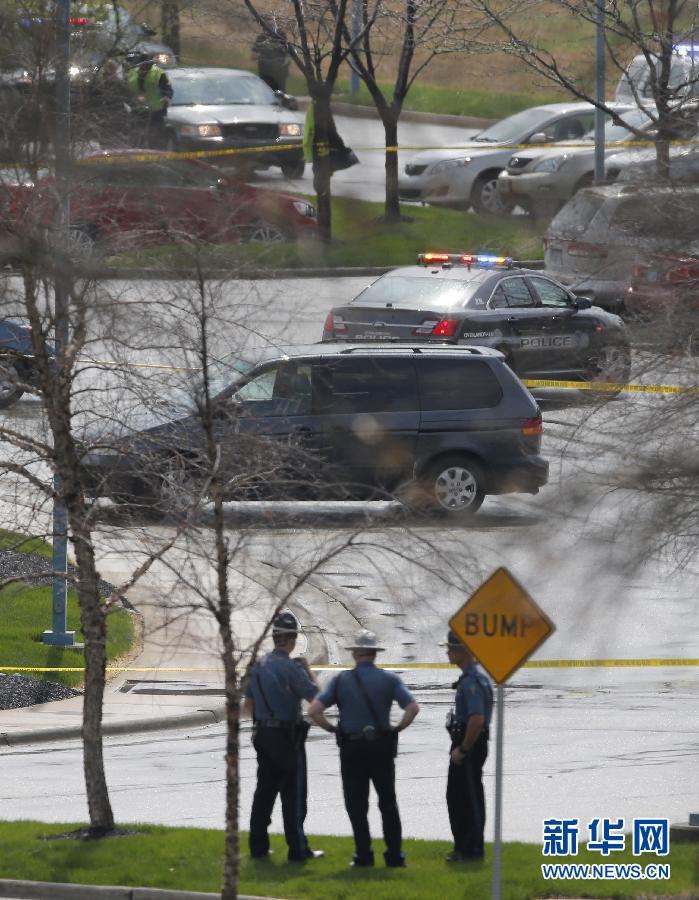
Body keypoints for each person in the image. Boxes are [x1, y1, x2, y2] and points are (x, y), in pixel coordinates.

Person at [308, 629, 419, 868]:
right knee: (388, 802)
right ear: (375, 654)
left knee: (357, 804)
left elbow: (314, 710)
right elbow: (412, 707)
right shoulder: (390, 680)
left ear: (355, 653)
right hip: (381, 746)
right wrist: (397, 728)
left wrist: (331, 729)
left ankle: (363, 855)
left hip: (352, 748)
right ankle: (394, 856)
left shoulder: (341, 681)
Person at [244, 611, 323, 862]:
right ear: (293, 639)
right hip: (288, 738)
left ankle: (258, 847)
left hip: (263, 735)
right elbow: (316, 699)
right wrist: (308, 671)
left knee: (264, 792)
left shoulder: (258, 666)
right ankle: (297, 849)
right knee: (294, 795)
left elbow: (248, 705)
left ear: (274, 637)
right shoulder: (292, 669)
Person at [442, 629, 494, 863]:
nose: (447, 652)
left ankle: (471, 850)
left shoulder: (473, 681)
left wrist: (463, 749)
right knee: (457, 796)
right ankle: (463, 847)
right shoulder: (469, 678)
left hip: (469, 744)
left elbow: (476, 719)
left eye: (451, 648)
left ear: (463, 652)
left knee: (468, 797)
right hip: (466, 741)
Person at [126, 56, 173, 148]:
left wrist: (166, 97)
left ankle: (156, 158)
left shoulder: (159, 72)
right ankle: (137, 156)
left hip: (156, 111)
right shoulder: (132, 73)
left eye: (148, 63)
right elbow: (126, 91)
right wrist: (133, 100)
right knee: (137, 138)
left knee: (156, 138)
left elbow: (168, 88)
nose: (145, 65)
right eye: (143, 63)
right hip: (138, 111)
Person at [251, 22, 290, 93]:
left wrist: (263, 55)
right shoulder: (262, 37)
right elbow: (253, 56)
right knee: (276, 94)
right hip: (270, 73)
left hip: (273, 72)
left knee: (269, 94)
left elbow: (254, 56)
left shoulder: (280, 36)